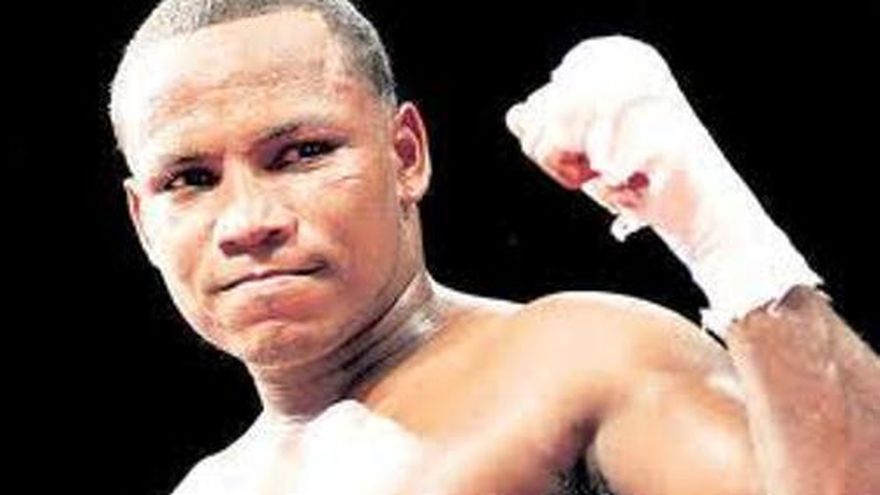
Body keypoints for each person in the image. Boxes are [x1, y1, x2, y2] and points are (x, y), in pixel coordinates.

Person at [108, 0, 879, 494]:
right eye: (190, 179)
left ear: (406, 157)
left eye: (302, 153)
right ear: (144, 222)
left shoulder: (579, 359)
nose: (248, 220)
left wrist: (728, 240)